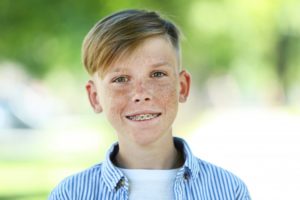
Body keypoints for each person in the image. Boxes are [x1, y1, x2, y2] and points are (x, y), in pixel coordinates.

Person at [49, 9, 251, 200]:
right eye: (120, 79)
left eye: (157, 75)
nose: (140, 94)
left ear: (182, 87)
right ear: (95, 97)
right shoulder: (70, 194)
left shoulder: (228, 190)